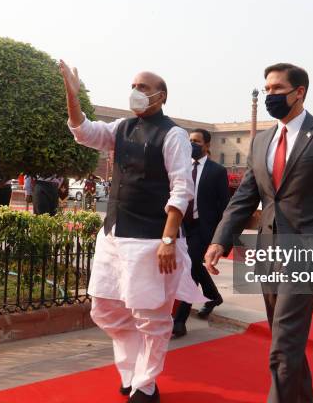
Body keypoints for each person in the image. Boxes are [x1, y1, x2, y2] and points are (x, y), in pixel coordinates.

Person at [204, 63, 313, 402]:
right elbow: (245, 197)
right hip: (268, 252)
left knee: (282, 348)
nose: (269, 95)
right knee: (284, 340)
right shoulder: (262, 141)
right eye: (267, 88)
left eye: (277, 89)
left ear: (299, 92)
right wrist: (220, 239)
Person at [59, 60, 206, 403]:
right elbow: (82, 131)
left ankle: (145, 385)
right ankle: (131, 371)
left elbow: (182, 189)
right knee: (106, 309)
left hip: (151, 239)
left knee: (151, 316)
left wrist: (169, 239)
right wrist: (72, 93)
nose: (136, 92)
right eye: (133, 86)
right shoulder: (121, 128)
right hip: (113, 235)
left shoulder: (173, 135)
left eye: (143, 87)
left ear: (161, 95)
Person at [172, 128, 230, 338]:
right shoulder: (181, 168)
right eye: (190, 141)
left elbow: (225, 206)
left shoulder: (217, 171)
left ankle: (179, 321)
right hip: (181, 226)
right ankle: (213, 296)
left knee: (190, 269)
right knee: (193, 266)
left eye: (196, 141)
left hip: (203, 228)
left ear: (207, 145)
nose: (192, 144)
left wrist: (222, 238)